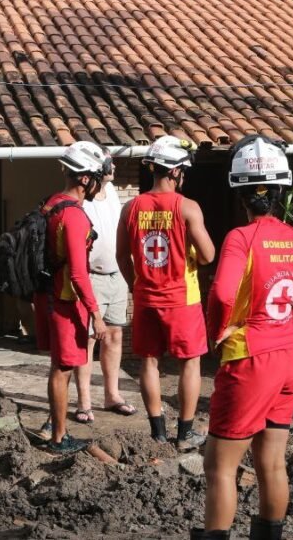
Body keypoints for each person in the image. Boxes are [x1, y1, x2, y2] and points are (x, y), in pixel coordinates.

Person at [195, 136, 293, 540]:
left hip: (251, 361)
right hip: (289, 361)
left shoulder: (240, 238)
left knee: (220, 467)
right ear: (281, 192)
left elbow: (222, 293)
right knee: (273, 464)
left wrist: (218, 333)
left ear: (241, 194)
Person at [117, 136, 215, 451]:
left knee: (148, 362)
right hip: (182, 300)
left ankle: (158, 432)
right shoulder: (188, 207)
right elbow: (209, 255)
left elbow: (121, 255)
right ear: (174, 172)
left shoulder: (131, 207)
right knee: (190, 363)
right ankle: (185, 433)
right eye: (182, 171)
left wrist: (136, 284)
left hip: (145, 298)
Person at [34, 141, 111, 453]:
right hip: (66, 302)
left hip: (49, 296)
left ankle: (56, 425)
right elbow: (78, 274)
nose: (100, 184)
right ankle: (58, 438)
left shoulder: (52, 202)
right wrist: (96, 314)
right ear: (85, 179)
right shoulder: (75, 217)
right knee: (62, 368)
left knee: (60, 366)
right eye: (99, 178)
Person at [73, 161, 138, 423]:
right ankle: (84, 401)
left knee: (114, 335)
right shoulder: (83, 198)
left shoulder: (111, 192)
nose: (113, 167)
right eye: (108, 163)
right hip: (91, 276)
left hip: (117, 275)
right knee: (87, 339)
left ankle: (112, 395)